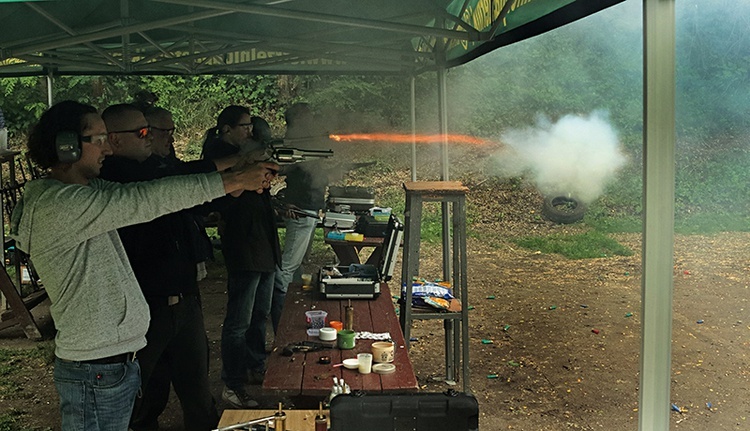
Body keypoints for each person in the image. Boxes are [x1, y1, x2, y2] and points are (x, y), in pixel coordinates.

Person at [9, 100, 277, 431]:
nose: (107, 148)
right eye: (98, 139)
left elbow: (153, 189)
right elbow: (145, 201)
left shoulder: (83, 190)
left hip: (109, 361)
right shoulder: (59, 204)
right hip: (96, 366)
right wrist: (232, 182)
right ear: (67, 147)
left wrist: (234, 175)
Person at [99, 103, 229, 431]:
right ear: (114, 140)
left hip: (183, 299)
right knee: (143, 399)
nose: (152, 138)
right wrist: (235, 170)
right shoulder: (114, 177)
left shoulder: (156, 167)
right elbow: (173, 181)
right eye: (143, 132)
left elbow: (181, 180)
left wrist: (238, 172)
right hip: (145, 306)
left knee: (198, 392)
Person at [202, 106, 281, 408]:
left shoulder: (245, 153)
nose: (250, 131)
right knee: (239, 322)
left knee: (259, 314)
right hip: (244, 245)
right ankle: (232, 383)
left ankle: (255, 365)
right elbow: (230, 196)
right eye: (244, 126)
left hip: (261, 242)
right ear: (226, 129)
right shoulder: (218, 156)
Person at [270, 103, 330, 333]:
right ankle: (281, 313)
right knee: (287, 267)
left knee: (296, 265)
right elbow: (283, 168)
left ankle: (290, 306)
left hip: (308, 206)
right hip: (301, 208)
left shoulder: (306, 139)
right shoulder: (295, 142)